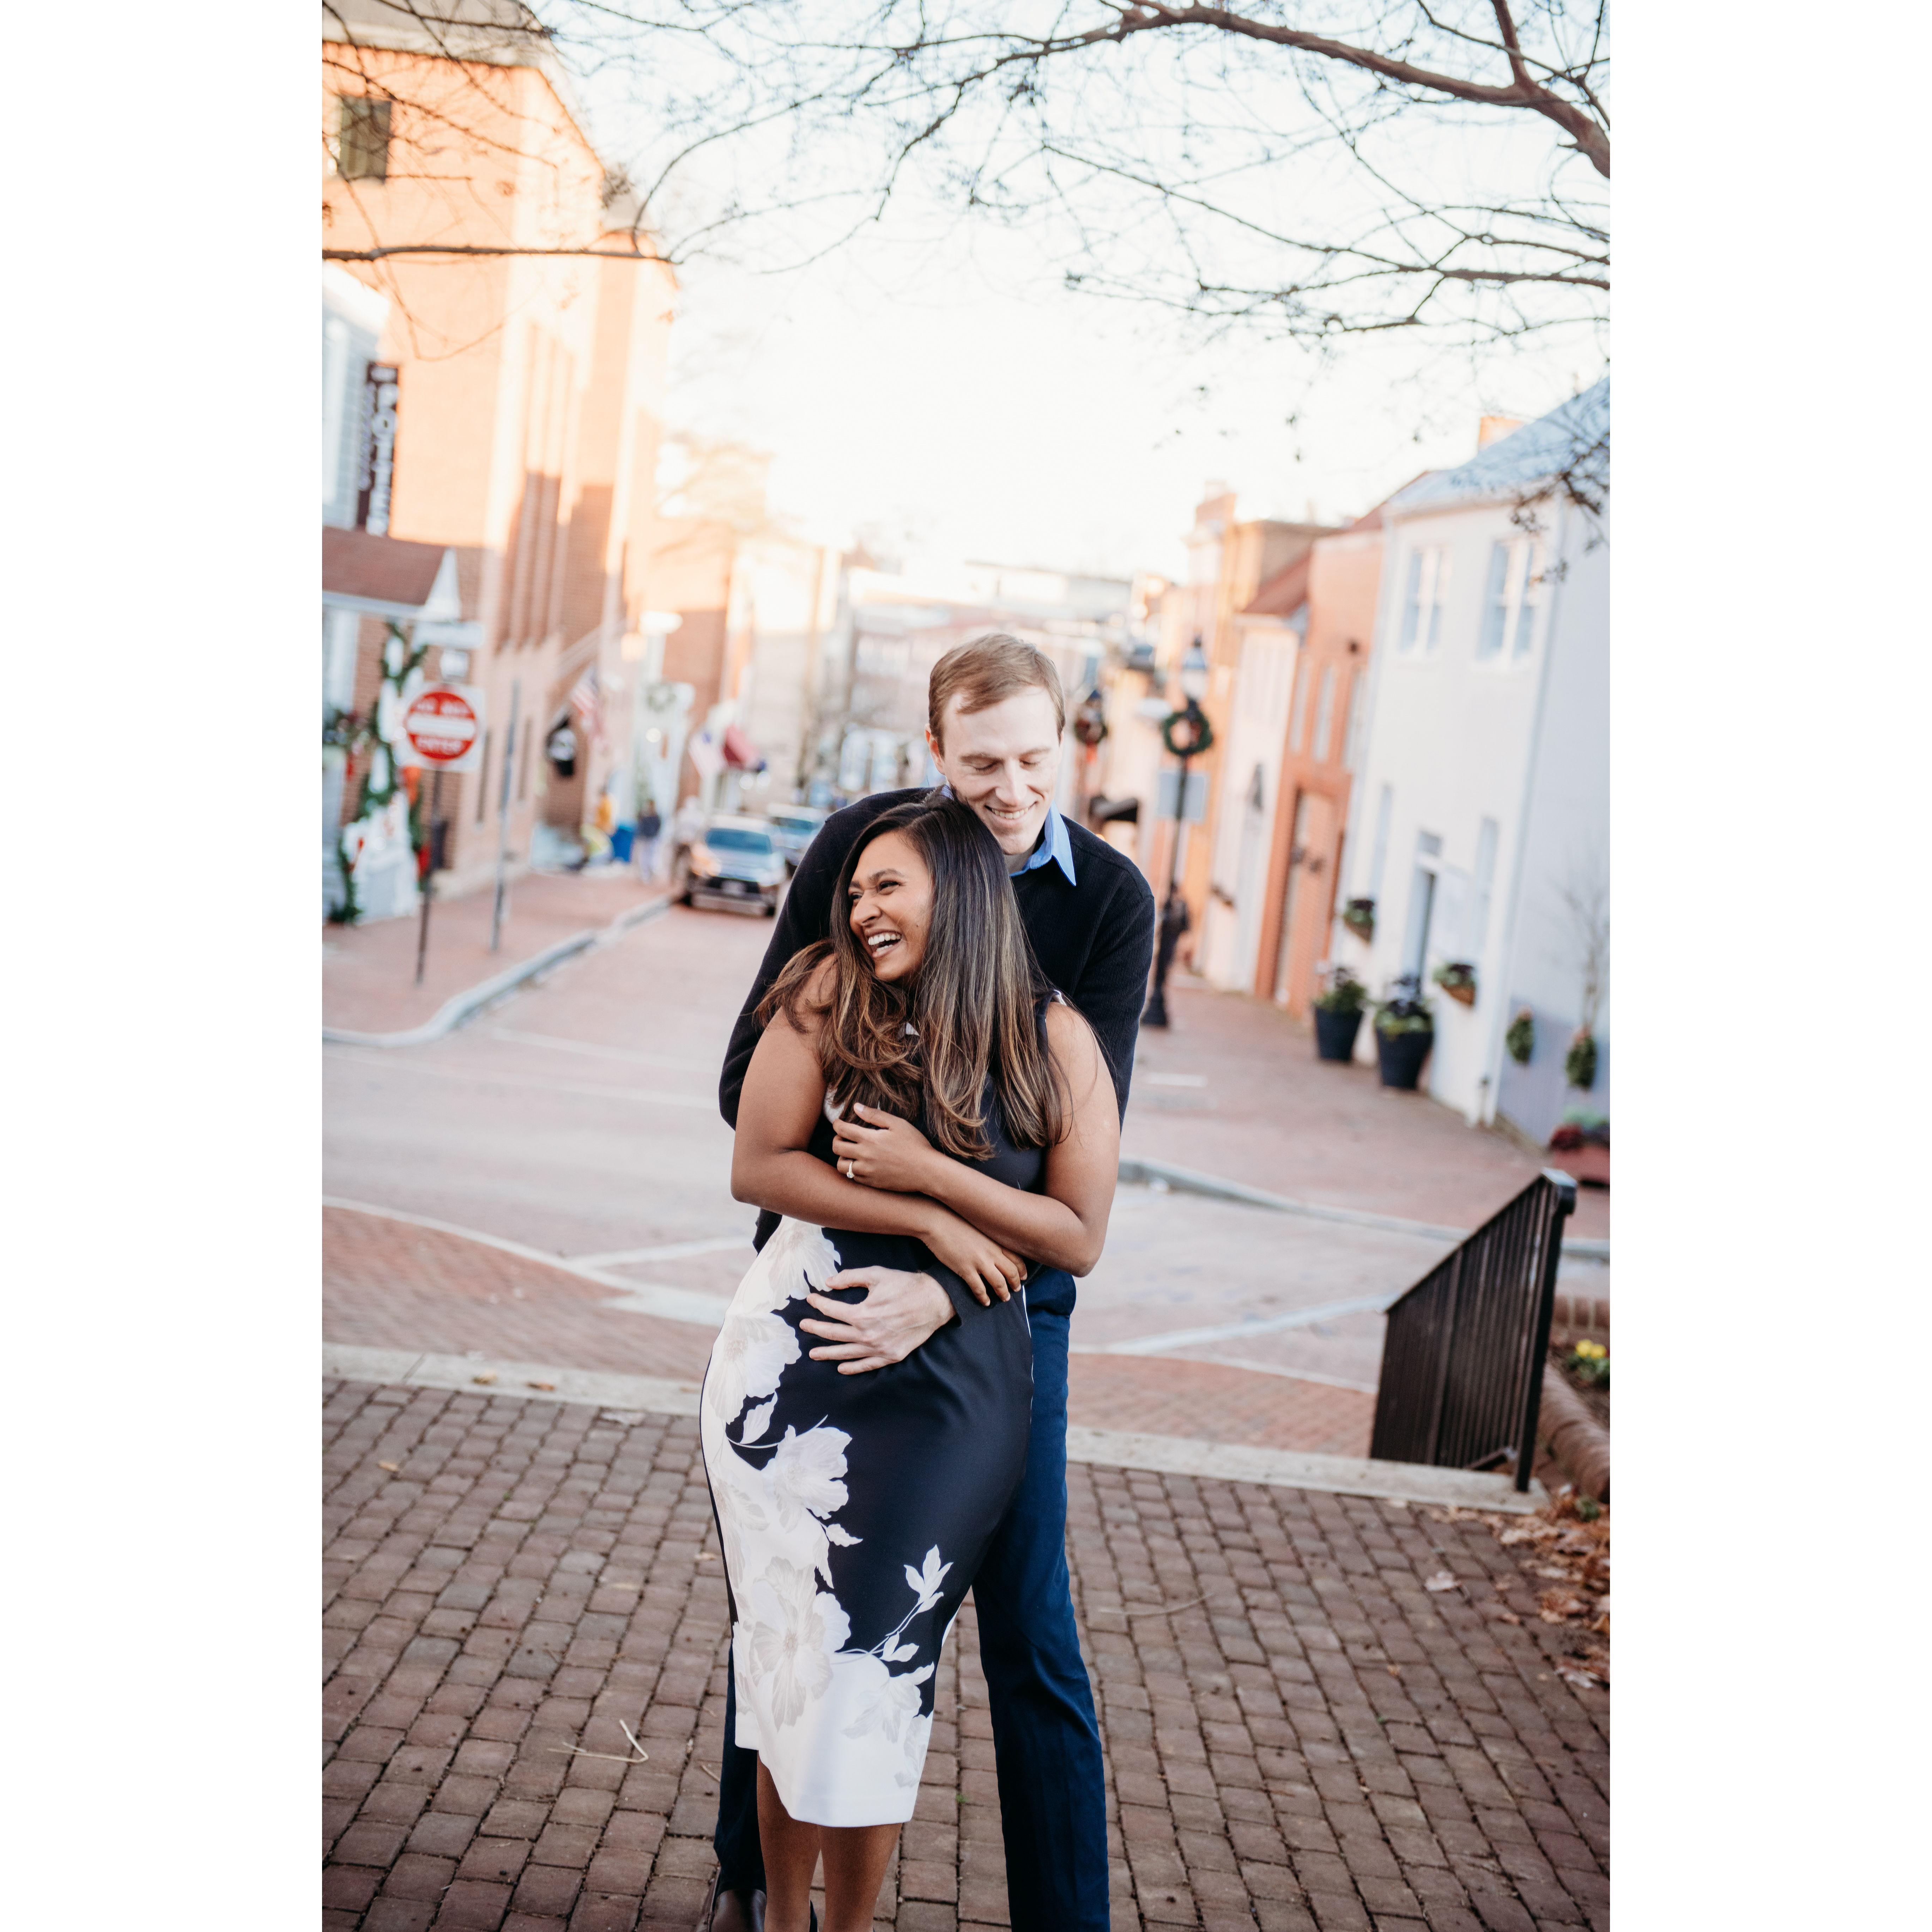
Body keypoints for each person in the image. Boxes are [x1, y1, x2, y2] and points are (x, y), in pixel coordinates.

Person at [705, 635, 1156, 1932]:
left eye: (1031, 759)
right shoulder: (869, 847)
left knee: (1026, 1620)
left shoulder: (1108, 903)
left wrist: (951, 1285)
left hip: (1008, 1309)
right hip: (830, 1289)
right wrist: (901, 1207)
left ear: (1066, 743)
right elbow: (751, 1090)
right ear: (933, 755)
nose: (1008, 788)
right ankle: (750, 1881)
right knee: (790, 1605)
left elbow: (1080, 1176)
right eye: (979, 764)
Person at [635, 796, 664, 880]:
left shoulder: (655, 816)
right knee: (645, 857)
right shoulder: (645, 815)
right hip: (646, 838)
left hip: (652, 838)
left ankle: (650, 873)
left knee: (651, 857)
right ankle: (645, 875)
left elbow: (658, 827)